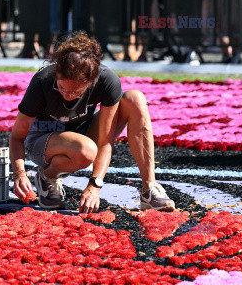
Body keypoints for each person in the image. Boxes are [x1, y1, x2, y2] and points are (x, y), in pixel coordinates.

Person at [10, 31, 175, 214]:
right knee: (85, 150)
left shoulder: (106, 80)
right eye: (63, 87)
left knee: (135, 99)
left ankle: (149, 188)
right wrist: (19, 173)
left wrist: (95, 184)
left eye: (76, 92)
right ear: (56, 73)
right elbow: (17, 137)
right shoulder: (42, 81)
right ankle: (47, 176)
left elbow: (105, 141)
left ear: (91, 81)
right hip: (42, 140)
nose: (67, 95)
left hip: (83, 135)